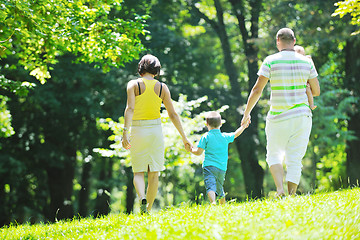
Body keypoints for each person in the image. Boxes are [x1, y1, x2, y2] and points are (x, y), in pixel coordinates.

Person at [241, 28, 320, 197]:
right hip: (302, 116)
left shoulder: (270, 61)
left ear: (278, 41)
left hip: (278, 117)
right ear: (294, 40)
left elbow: (257, 89)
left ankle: (280, 190)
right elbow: (316, 91)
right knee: (295, 158)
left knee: (274, 154)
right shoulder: (307, 62)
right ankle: (291, 194)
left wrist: (247, 113)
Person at [122, 54, 191, 213]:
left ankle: (141, 197)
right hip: (155, 130)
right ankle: (148, 210)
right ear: (157, 70)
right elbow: (173, 114)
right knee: (154, 173)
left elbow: (130, 109)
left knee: (138, 171)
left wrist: (125, 132)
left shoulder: (133, 85)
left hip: (138, 130)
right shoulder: (162, 87)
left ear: (141, 68)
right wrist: (184, 137)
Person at [189, 111, 249, 204]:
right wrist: (243, 126)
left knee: (210, 185)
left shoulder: (206, 137)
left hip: (209, 166)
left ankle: (213, 202)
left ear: (207, 124)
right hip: (222, 168)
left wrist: (191, 149)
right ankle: (222, 205)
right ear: (221, 124)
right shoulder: (224, 136)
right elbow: (236, 134)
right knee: (219, 187)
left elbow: (198, 152)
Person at [294, 45, 317, 110]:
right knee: (307, 91)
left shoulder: (305, 60)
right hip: (298, 81)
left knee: (308, 90)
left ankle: (311, 105)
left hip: (304, 81)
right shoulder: (294, 62)